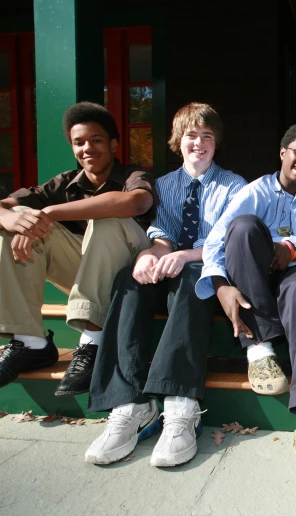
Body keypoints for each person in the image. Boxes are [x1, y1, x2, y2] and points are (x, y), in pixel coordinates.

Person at [83, 103, 246, 467]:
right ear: (178, 140)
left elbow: (226, 242)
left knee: (192, 278)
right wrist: (149, 256)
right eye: (191, 136)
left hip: (208, 270)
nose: (199, 143)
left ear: (216, 143)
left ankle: (179, 407)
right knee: (129, 279)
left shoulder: (235, 185)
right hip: (173, 264)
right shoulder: (163, 186)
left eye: (207, 137)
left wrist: (187, 257)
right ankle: (129, 404)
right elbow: (162, 235)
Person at [0, 102, 156, 396]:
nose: (87, 148)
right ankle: (30, 343)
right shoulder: (64, 184)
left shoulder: (134, 175)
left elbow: (137, 202)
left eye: (97, 140)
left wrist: (51, 213)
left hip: (131, 277)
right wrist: (7, 217)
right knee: (8, 228)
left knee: (104, 221)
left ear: (114, 144)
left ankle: (93, 342)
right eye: (79, 143)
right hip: (86, 273)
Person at [196, 124, 296, 486]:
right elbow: (218, 240)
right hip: (254, 279)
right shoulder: (255, 190)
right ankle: (260, 348)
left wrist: (292, 247)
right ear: (282, 152)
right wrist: (219, 286)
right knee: (245, 226)